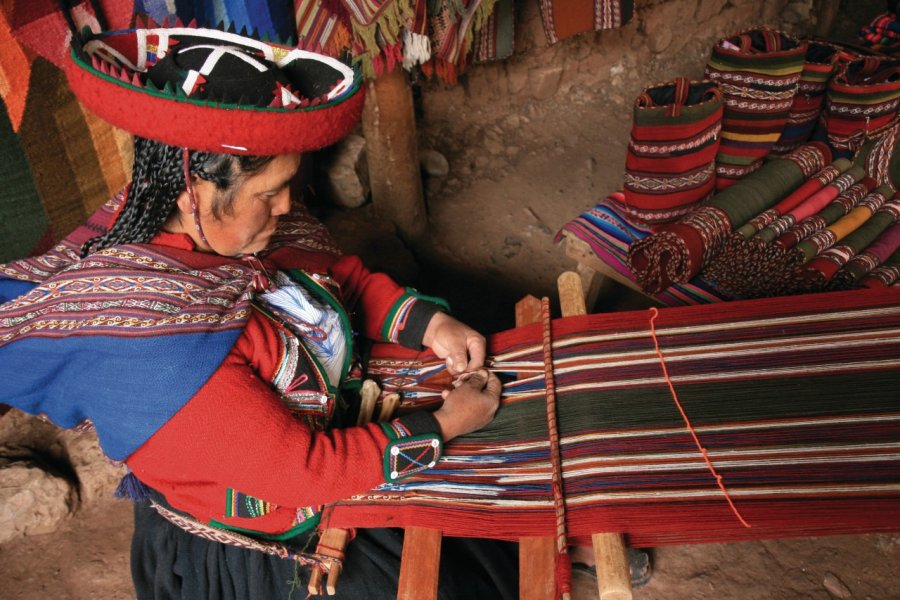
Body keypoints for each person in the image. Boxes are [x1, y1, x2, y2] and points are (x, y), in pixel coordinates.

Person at [0, 26, 517, 599]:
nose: (288, 206)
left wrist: (428, 322)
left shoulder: (234, 235)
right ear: (191, 193)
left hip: (318, 433)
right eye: (270, 192)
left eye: (289, 185)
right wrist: (444, 426)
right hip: (263, 545)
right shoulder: (158, 350)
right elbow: (306, 472)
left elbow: (334, 278)